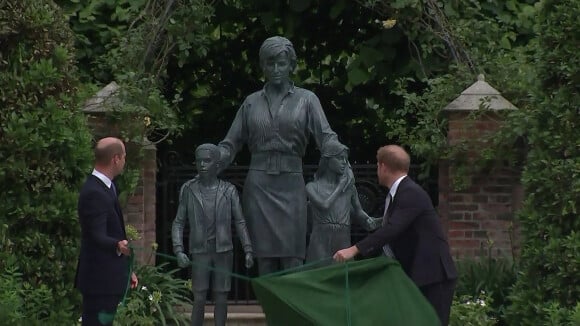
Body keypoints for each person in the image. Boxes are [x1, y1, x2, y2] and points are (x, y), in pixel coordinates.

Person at [218, 36, 339, 275]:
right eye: (270, 63)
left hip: (291, 184)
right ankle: (270, 312)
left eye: (281, 63)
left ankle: (290, 312)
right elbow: (230, 144)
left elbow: (326, 136)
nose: (275, 69)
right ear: (262, 65)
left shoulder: (307, 100)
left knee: (293, 257)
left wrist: (338, 155)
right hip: (259, 186)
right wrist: (214, 162)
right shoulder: (251, 102)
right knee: (264, 258)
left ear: (291, 65)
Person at [333, 145, 458, 325]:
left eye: (377, 165)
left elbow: (392, 229)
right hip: (421, 274)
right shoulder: (400, 193)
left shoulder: (410, 193)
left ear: (383, 166)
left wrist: (354, 249)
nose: (377, 170)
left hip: (434, 276)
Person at [172, 143, 254, 326]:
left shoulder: (229, 191)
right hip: (200, 251)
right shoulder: (189, 190)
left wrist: (248, 249)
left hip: (223, 250)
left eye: (207, 161)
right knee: (199, 297)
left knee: (221, 297)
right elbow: (178, 222)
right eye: (199, 161)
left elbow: (240, 221)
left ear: (217, 165)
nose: (202, 165)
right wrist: (178, 250)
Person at [75, 137, 138, 326]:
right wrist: (118, 245)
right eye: (124, 156)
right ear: (116, 159)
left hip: (108, 277)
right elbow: (96, 234)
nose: (125, 161)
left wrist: (127, 270)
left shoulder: (108, 187)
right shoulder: (94, 191)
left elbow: (112, 231)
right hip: (98, 281)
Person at [305, 142, 377, 264]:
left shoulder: (350, 188)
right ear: (327, 160)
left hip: (342, 238)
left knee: (344, 276)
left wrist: (368, 220)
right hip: (320, 239)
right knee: (318, 274)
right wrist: (340, 187)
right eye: (339, 158)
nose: (344, 162)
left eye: (345, 159)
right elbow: (324, 205)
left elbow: (358, 211)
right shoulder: (312, 186)